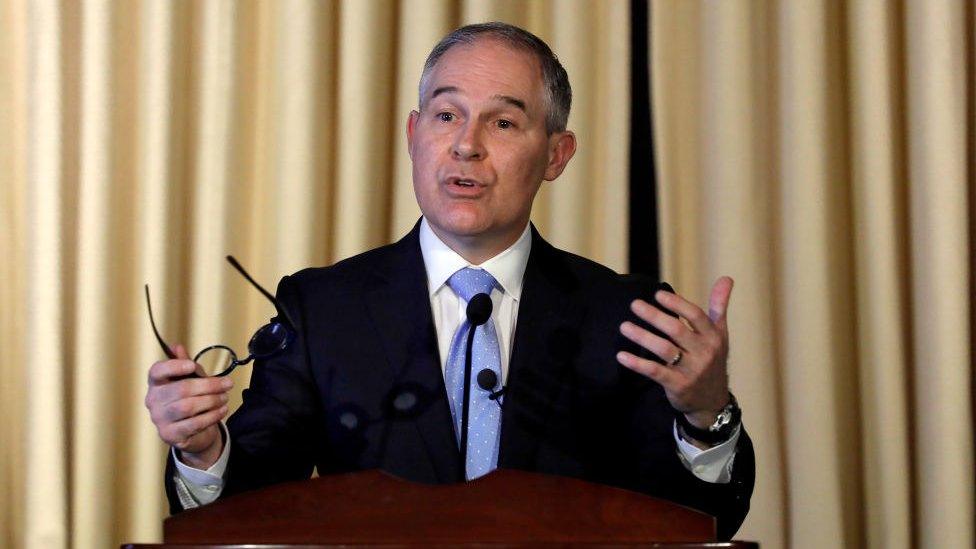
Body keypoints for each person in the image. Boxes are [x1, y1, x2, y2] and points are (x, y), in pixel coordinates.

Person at [145, 22, 754, 539]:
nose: (466, 146)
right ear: (414, 136)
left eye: (504, 124)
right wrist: (203, 452)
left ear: (557, 155)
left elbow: (700, 525)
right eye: (446, 114)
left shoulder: (627, 314)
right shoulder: (324, 307)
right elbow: (245, 511)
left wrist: (706, 416)